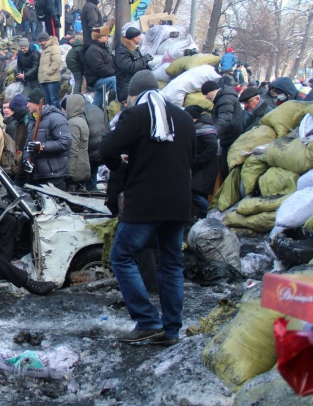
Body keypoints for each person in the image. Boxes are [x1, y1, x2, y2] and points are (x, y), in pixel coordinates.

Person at [99, 70, 196, 346]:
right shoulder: (185, 117)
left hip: (145, 203)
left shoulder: (136, 115)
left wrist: (123, 165)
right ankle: (171, 329)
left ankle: (148, 321)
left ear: (134, 95)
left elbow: (106, 150)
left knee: (122, 257)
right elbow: (192, 156)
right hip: (179, 204)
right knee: (171, 265)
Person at [22, 88, 72, 190]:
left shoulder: (56, 118)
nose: (27, 105)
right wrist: (26, 160)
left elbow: (66, 141)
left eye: (29, 102)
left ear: (36, 103)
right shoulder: (32, 120)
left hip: (54, 176)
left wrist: (42, 146)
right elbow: (28, 144)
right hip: (37, 174)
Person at [201, 80, 242, 180]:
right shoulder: (224, 98)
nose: (206, 97)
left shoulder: (225, 100)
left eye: (207, 94)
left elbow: (224, 120)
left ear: (214, 90)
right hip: (230, 139)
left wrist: (213, 135)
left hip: (231, 140)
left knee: (226, 171)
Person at [184, 105, 219, 218]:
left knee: (194, 191)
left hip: (207, 166)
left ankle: (210, 216)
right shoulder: (200, 127)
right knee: (199, 192)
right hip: (203, 165)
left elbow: (213, 147)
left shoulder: (204, 128)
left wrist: (198, 159)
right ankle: (203, 216)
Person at [61, 94, 90, 191]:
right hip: (83, 165)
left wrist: (69, 172)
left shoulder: (72, 123)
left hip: (75, 169)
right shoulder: (82, 120)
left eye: (64, 109)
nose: (62, 111)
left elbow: (72, 149)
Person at [115, 27, 151, 103]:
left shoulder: (133, 49)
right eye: (139, 36)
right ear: (134, 38)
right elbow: (130, 67)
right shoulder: (122, 51)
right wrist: (144, 59)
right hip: (127, 88)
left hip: (134, 86)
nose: (141, 38)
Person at [85, 27, 116, 109]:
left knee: (96, 105)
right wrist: (115, 71)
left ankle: (92, 116)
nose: (107, 37)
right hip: (97, 80)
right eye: (105, 35)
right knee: (115, 80)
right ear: (98, 37)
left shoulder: (102, 48)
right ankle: (122, 101)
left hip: (101, 79)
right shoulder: (93, 50)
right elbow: (99, 69)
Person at [37, 32, 62, 109]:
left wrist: (48, 72)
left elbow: (57, 61)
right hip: (44, 79)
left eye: (40, 41)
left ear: (45, 40)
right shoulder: (44, 49)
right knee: (47, 100)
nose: (39, 43)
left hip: (51, 79)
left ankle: (57, 115)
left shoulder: (54, 47)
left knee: (54, 99)